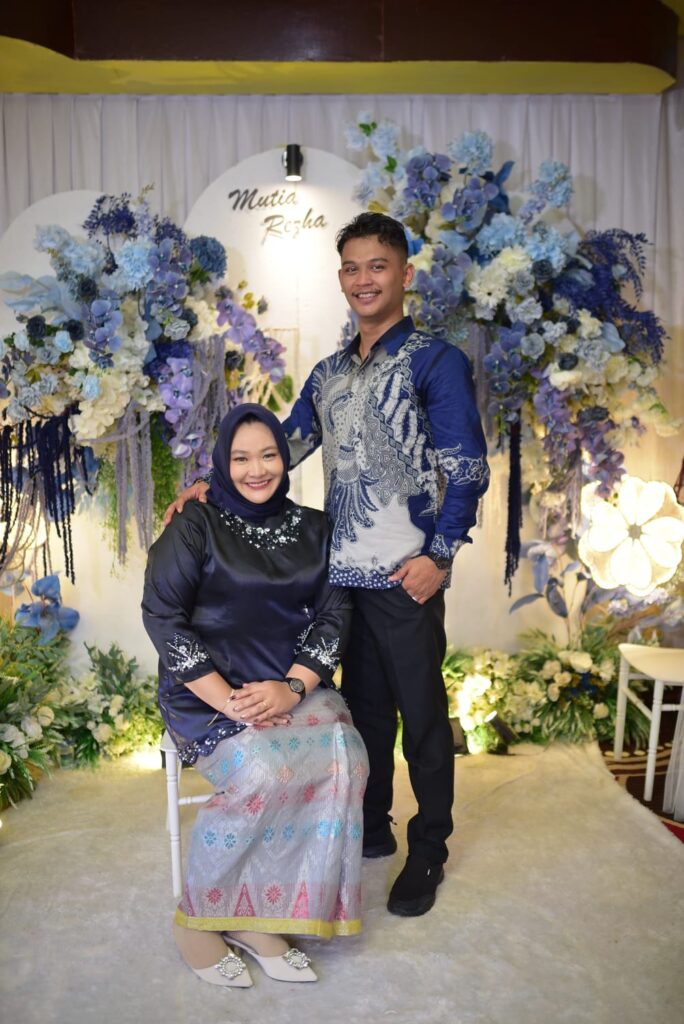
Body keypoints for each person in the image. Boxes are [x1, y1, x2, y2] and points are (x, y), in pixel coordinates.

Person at [165, 212, 489, 918]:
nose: (363, 279)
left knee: (423, 718)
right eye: (351, 267)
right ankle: (372, 827)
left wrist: (439, 557)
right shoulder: (330, 373)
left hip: (405, 578)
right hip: (339, 578)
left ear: (405, 274)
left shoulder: (434, 361)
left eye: (377, 265)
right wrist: (211, 484)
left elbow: (466, 467)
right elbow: (281, 446)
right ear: (341, 278)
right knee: (365, 710)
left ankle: (428, 847)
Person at [143, 403, 368, 988]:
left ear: (285, 459)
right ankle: (199, 917)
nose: (257, 469)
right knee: (265, 771)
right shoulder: (195, 523)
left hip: (290, 682)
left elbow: (333, 614)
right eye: (241, 458)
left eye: (269, 455)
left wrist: (292, 687)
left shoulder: (315, 528)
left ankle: (258, 915)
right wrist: (229, 701)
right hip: (208, 691)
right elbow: (163, 616)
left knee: (347, 757)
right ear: (222, 462)